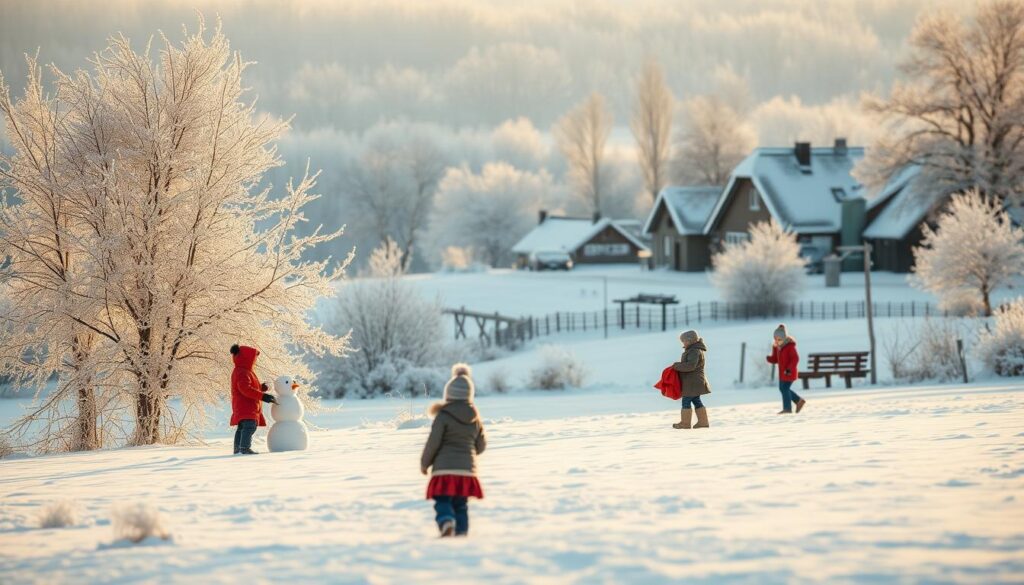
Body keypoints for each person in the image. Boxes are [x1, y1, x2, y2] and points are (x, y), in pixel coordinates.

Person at [421, 363, 487, 537]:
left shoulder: (443, 416)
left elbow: (433, 442)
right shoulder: (475, 418)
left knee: (442, 499)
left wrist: (424, 463)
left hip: (444, 469)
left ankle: (446, 521)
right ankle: (462, 533)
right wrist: (468, 455)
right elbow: (480, 446)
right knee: (461, 504)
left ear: (448, 394)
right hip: (467, 470)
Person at [229, 344, 277, 454]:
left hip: (244, 407)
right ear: (247, 358)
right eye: (254, 357)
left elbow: (249, 386)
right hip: (246, 406)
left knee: (242, 428)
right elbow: (245, 389)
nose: (255, 360)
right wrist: (263, 396)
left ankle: (238, 449)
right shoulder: (243, 372)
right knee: (249, 427)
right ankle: (244, 448)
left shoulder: (244, 371)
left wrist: (261, 388)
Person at [672, 330, 711, 429]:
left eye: (684, 341)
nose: (683, 343)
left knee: (686, 400)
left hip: (692, 381)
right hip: (694, 381)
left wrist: (677, 366)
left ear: (691, 340)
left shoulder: (694, 351)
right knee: (696, 400)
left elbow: (691, 366)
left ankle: (685, 423)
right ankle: (703, 422)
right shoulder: (694, 350)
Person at [766, 324, 806, 414]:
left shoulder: (790, 346)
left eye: (779, 339)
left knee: (784, 388)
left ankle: (787, 409)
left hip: (789, 372)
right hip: (782, 373)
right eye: (775, 339)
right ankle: (799, 401)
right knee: (783, 388)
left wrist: (789, 369)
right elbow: (775, 359)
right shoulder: (777, 347)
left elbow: (795, 359)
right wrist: (769, 359)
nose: (777, 341)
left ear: (784, 338)